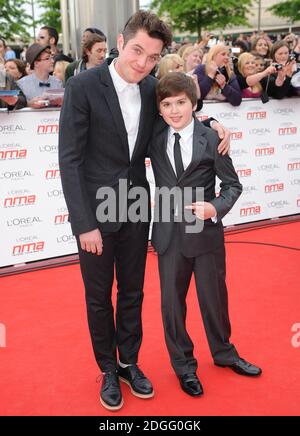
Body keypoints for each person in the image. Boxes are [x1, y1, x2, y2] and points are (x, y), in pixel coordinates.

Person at [59, 10, 231, 411]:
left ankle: (129, 362)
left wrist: (216, 122)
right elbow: (70, 160)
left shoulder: (153, 87)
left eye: (152, 57)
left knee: (133, 291)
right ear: (121, 40)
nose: (142, 62)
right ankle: (107, 369)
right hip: (97, 213)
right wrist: (83, 224)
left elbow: (181, 115)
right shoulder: (83, 85)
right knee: (100, 296)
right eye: (137, 51)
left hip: (136, 205)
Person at [150, 72, 262, 397]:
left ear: (194, 103)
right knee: (172, 305)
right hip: (169, 233)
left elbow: (232, 185)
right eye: (167, 104)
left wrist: (215, 207)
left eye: (181, 103)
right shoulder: (154, 138)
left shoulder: (212, 138)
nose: (174, 110)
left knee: (214, 298)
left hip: (206, 232)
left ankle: (224, 352)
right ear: (159, 109)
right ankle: (184, 365)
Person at [17, 43, 63, 108]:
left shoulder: (58, 82)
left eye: (52, 57)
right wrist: (29, 104)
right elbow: (15, 108)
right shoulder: (22, 84)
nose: (52, 61)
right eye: (47, 58)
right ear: (36, 63)